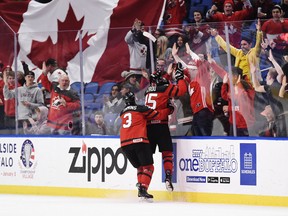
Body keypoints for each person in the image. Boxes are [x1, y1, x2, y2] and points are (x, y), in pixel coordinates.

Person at [119, 91, 172, 201]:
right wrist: (169, 109)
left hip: (124, 144)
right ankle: (143, 189)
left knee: (140, 167)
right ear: (134, 99)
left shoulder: (122, 113)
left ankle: (140, 188)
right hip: (139, 141)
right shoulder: (141, 109)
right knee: (148, 167)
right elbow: (157, 116)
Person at [144, 62, 187, 192]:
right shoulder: (164, 89)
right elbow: (181, 90)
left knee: (147, 160)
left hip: (148, 128)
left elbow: (161, 90)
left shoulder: (147, 91)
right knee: (167, 153)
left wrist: (167, 76)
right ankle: (168, 177)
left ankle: (142, 186)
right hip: (161, 126)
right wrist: (179, 78)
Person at [210, 19, 263, 83]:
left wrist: (259, 31)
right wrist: (216, 36)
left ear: (250, 45)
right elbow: (226, 46)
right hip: (240, 82)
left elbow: (258, 43)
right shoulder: (239, 52)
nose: (242, 46)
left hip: (253, 82)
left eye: (245, 44)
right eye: (241, 45)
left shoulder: (254, 52)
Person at [3, 69, 44, 134]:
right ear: (25, 78)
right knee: (19, 137)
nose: (30, 78)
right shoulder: (19, 89)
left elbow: (41, 105)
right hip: (20, 118)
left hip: (32, 118)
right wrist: (5, 84)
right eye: (28, 76)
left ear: (34, 78)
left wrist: (30, 104)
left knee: (30, 138)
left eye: (32, 77)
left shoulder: (37, 90)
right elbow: (8, 96)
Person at [221, 67, 255, 136]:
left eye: (229, 76)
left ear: (236, 77)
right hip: (234, 122)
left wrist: (229, 108)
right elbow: (226, 97)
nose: (228, 78)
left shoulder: (245, 88)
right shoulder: (234, 87)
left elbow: (241, 106)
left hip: (243, 124)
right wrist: (224, 84)